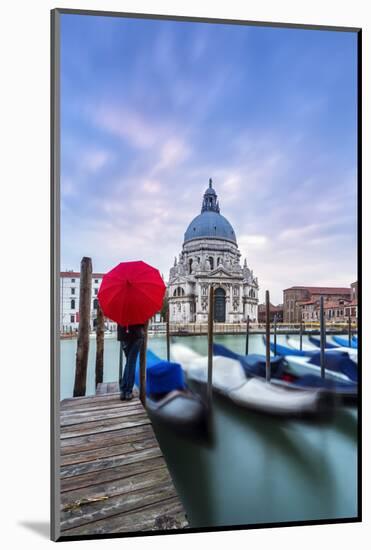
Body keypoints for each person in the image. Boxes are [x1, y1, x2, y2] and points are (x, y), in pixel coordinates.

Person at [117, 323, 145, 400]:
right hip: (136, 334)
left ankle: (123, 391)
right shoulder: (138, 310)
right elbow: (143, 321)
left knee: (129, 362)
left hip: (123, 335)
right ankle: (128, 392)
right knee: (131, 363)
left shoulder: (120, 310)